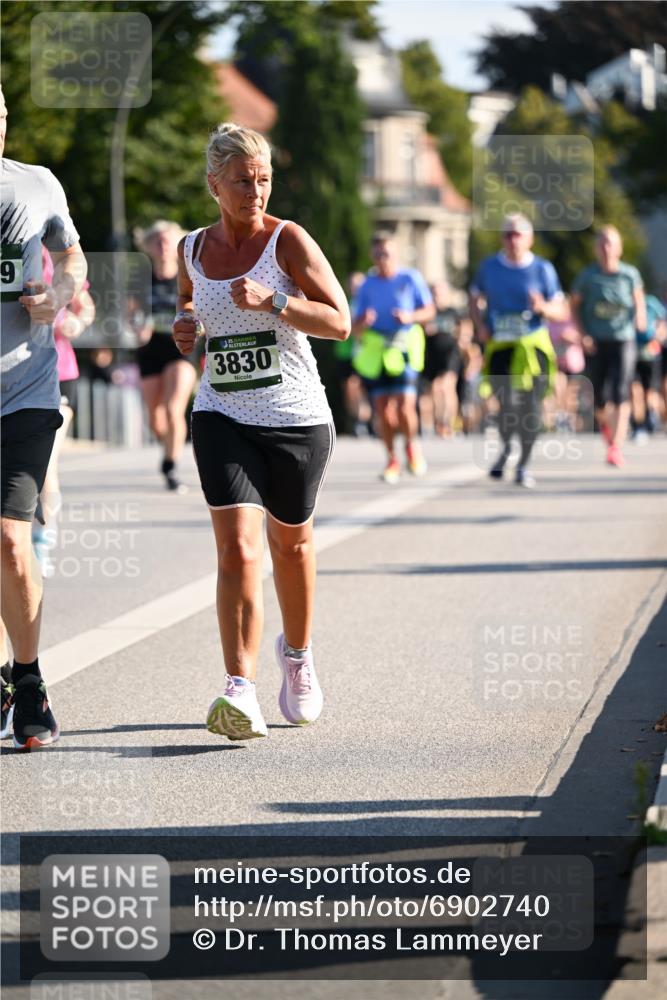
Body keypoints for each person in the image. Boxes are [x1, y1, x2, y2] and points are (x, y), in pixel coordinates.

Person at [172, 123, 349, 741]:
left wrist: (273, 303)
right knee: (238, 549)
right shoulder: (191, 249)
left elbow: (339, 321)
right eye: (243, 181)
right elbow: (189, 301)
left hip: (295, 415)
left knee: (291, 546)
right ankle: (239, 688)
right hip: (221, 412)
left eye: (264, 179)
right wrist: (186, 326)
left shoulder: (287, 240)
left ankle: (296, 656)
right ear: (214, 185)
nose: (256, 192)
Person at [0, 85, 87, 749]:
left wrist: (57, 293)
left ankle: (28, 680)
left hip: (25, 392)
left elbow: (74, 258)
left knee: (10, 539)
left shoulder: (38, 183)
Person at [469, 214, 566, 488]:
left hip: (533, 348)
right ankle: (506, 448)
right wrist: (480, 325)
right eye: (508, 234)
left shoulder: (543, 269)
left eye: (518, 234)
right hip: (501, 347)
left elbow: (561, 310)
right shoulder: (489, 267)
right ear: (502, 239)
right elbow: (474, 298)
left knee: (530, 407)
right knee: (506, 405)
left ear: (530, 238)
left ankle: (523, 464)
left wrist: (542, 308)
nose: (513, 240)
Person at [351, 233, 435, 483]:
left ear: (396, 254)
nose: (382, 259)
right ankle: (391, 459)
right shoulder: (367, 285)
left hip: (404, 347)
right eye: (378, 254)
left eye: (386, 253)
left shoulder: (410, 278)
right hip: (378, 351)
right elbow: (354, 327)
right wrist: (363, 322)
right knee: (384, 411)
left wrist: (410, 317)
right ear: (372, 256)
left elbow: (430, 311)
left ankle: (411, 446)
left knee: (405, 405)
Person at [33, 247, 95, 577]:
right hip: (8, 376)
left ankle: (42, 540)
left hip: (57, 373)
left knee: (45, 461)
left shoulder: (58, 252)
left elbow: (85, 305)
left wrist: (77, 322)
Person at [571, 225, 647, 467]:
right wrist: (582, 334)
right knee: (600, 397)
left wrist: (640, 318)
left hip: (623, 339)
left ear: (619, 248)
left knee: (621, 390)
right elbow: (573, 307)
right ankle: (608, 433)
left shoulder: (629, 274)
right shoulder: (587, 277)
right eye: (602, 243)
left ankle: (616, 446)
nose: (606, 248)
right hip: (596, 342)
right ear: (596, 248)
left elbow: (639, 300)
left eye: (610, 243)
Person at [135, 220, 197, 493]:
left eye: (167, 240)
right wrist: (137, 327)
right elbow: (130, 314)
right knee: (155, 419)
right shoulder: (140, 280)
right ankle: (169, 447)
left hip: (180, 349)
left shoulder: (188, 276)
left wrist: (194, 328)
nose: (162, 246)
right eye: (157, 241)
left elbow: (203, 313)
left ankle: (171, 466)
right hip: (149, 351)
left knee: (173, 409)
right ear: (148, 246)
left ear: (176, 245)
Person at [422, 282, 463, 437]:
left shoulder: (453, 312)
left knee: (447, 386)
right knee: (435, 389)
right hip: (433, 355)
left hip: (450, 354)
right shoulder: (428, 312)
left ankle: (450, 423)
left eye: (439, 293)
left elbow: (464, 329)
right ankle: (440, 422)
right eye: (434, 293)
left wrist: (462, 340)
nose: (436, 297)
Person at [630, 292, 666, 442]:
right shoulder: (625, 303)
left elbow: (662, 322)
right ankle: (638, 425)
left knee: (650, 391)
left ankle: (651, 418)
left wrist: (657, 339)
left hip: (650, 353)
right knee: (634, 389)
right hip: (631, 352)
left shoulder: (651, 302)